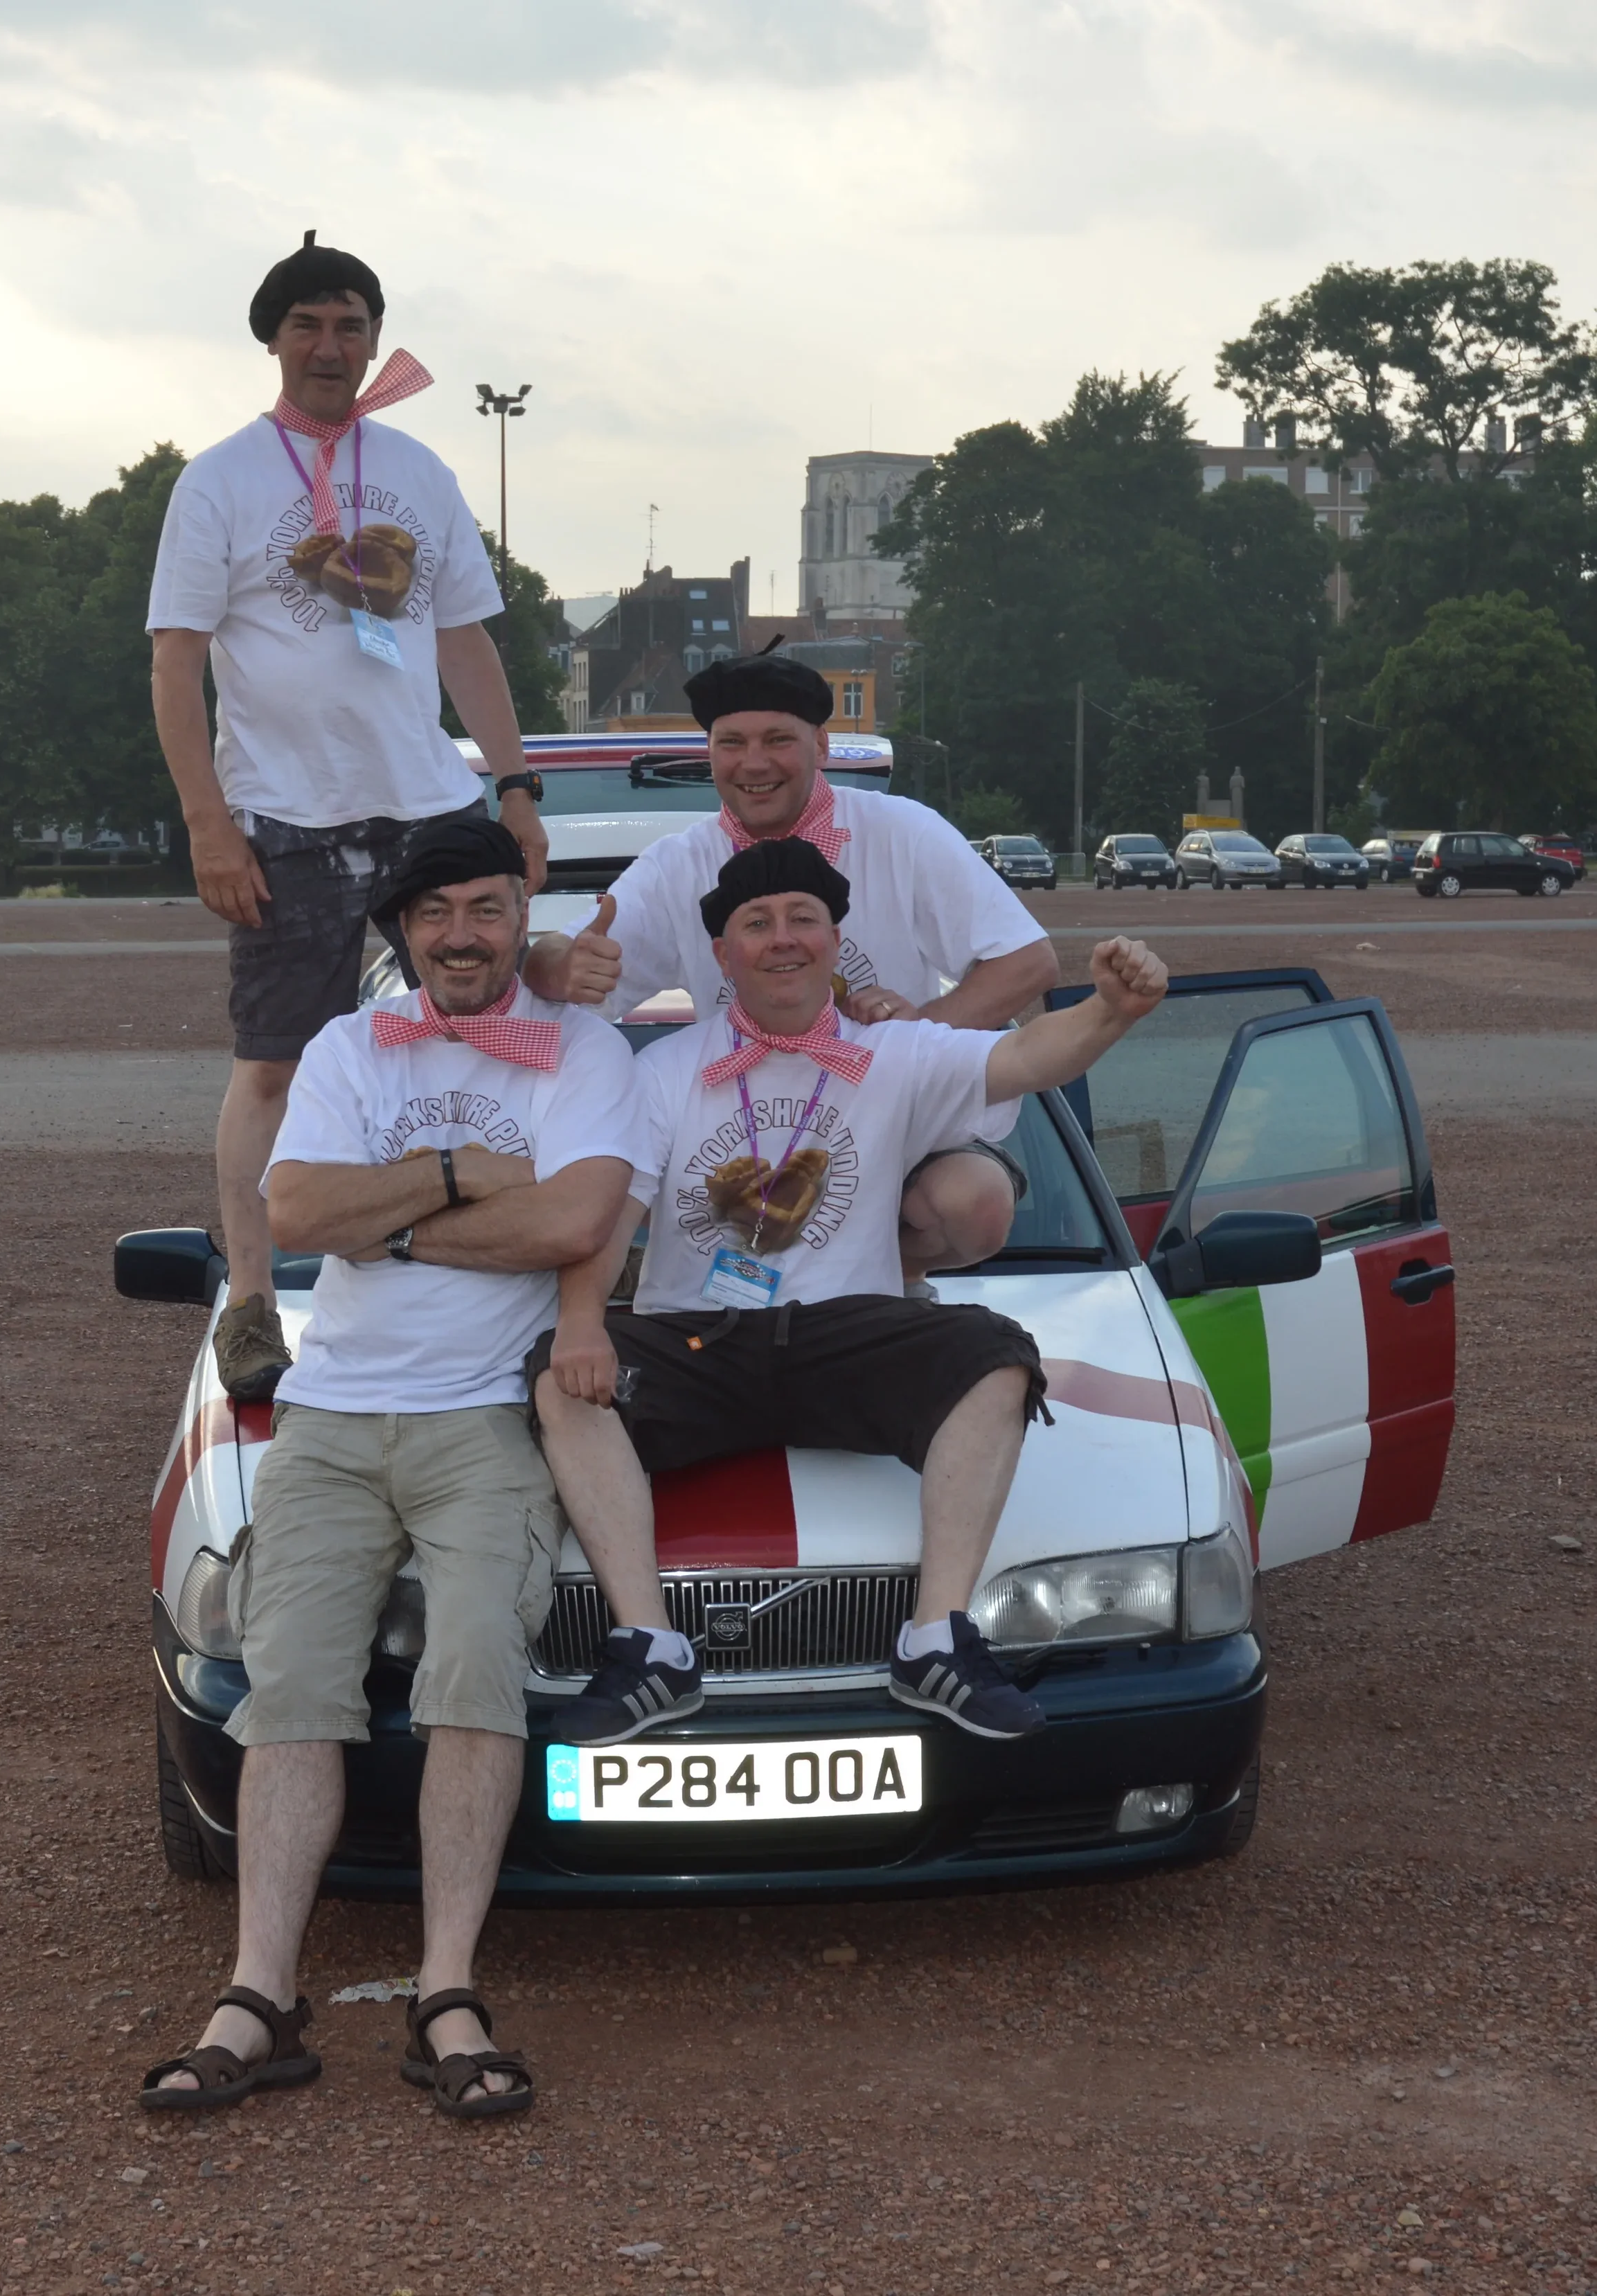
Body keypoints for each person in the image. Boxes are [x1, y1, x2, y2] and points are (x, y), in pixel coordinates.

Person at [141, 820, 638, 2119]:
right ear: (404, 933)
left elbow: (577, 1218)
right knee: (291, 1688)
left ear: (521, 915)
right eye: (436, 914)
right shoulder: (349, 1046)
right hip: (330, 1417)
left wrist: (396, 1221)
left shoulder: (584, 1047)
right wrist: (464, 1176)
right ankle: (259, 1998)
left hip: (484, 1418)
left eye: (487, 907)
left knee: (475, 1673)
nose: (462, 934)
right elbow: (298, 1211)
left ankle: (447, 1992)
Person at [526, 837, 1166, 1747]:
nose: (783, 938)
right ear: (722, 955)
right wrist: (582, 1321)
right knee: (555, 1376)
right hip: (702, 1341)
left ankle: (936, 1639)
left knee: (995, 1354)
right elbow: (606, 1214)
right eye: (757, 923)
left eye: (804, 918)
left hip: (847, 1336)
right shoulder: (661, 1071)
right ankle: (650, 1650)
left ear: (835, 940)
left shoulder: (894, 1051)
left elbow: (1028, 1056)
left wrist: (1113, 1009)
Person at [148, 229, 549, 1404]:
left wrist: (514, 787)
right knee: (275, 1064)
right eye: (308, 325)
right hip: (287, 818)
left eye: (351, 325)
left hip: (428, 806)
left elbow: (465, 639)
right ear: (273, 340)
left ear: (376, 340)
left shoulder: (419, 469)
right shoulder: (220, 480)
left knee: (487, 1040)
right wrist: (209, 824)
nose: (330, 346)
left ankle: (497, 1271)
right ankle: (253, 1301)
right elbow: (176, 664)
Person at [524, 648, 1060, 1293]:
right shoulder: (676, 865)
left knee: (975, 1202)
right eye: (732, 743)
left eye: (778, 739)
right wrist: (558, 965)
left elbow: (1028, 960)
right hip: (738, 1141)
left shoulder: (904, 833)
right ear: (710, 751)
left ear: (822, 744)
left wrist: (919, 1030)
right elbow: (553, 969)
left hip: (897, 1139)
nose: (754, 763)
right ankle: (710, 1275)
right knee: (592, 1179)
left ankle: (874, 1280)